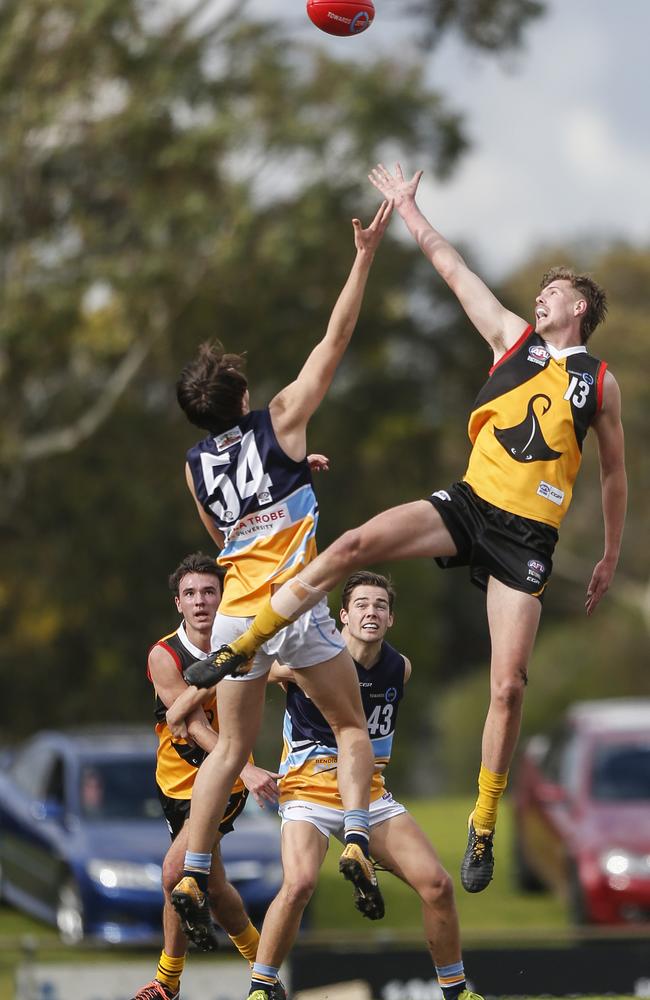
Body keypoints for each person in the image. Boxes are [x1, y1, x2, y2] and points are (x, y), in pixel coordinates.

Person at [194, 163, 628, 895]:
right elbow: (455, 271)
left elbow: (614, 474)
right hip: (469, 503)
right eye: (542, 292)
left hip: (527, 538)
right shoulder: (511, 341)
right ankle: (239, 642)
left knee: (510, 686)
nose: (542, 296)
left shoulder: (601, 381)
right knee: (352, 545)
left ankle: (483, 822)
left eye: (555, 291)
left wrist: (612, 552)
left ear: (580, 307)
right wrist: (407, 209)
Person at [167, 201, 395, 963]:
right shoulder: (283, 418)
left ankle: (195, 872)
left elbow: (226, 537)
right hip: (294, 609)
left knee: (230, 748)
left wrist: (298, 476)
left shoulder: (195, 466)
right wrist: (363, 255)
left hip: (233, 617)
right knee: (352, 726)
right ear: (242, 398)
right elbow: (336, 338)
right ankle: (358, 837)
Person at [247, 571, 484, 1000]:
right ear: (343, 616)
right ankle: (261, 987)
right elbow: (254, 676)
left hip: (370, 794)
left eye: (380, 605)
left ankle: (455, 991)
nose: (370, 612)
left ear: (391, 618)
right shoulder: (308, 660)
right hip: (309, 790)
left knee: (438, 885)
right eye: (361, 604)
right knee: (299, 883)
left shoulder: (400, 668)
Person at [130, 552, 281, 1000]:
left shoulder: (242, 644)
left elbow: (284, 668)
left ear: (223, 597)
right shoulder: (164, 655)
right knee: (214, 889)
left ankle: (167, 982)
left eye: (209, 592)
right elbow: (191, 724)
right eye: (190, 594)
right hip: (175, 783)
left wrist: (243, 769)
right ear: (178, 602)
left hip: (225, 783)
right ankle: (265, 972)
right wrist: (248, 765)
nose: (200, 602)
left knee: (175, 873)